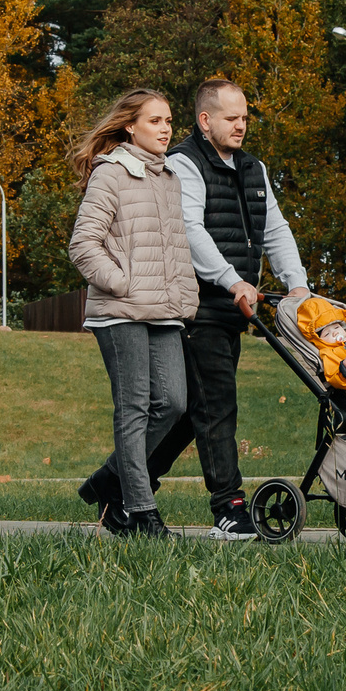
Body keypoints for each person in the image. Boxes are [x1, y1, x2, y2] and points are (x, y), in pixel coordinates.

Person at [76, 77, 310, 538]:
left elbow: (275, 229)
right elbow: (189, 233)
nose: (241, 125)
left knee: (185, 412)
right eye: (231, 117)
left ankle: (112, 483)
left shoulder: (252, 168)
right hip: (198, 306)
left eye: (244, 117)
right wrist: (229, 280)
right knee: (214, 405)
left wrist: (297, 284)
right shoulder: (180, 165)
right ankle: (228, 506)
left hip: (229, 308)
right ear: (205, 120)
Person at [65, 87, 198, 537]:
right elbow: (83, 245)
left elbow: (174, 249)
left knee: (175, 403)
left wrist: (179, 294)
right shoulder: (111, 173)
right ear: (130, 126)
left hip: (162, 310)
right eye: (155, 121)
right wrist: (123, 283)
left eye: (168, 121)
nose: (165, 129)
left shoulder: (169, 178)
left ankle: (108, 478)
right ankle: (140, 511)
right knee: (135, 407)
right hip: (120, 311)